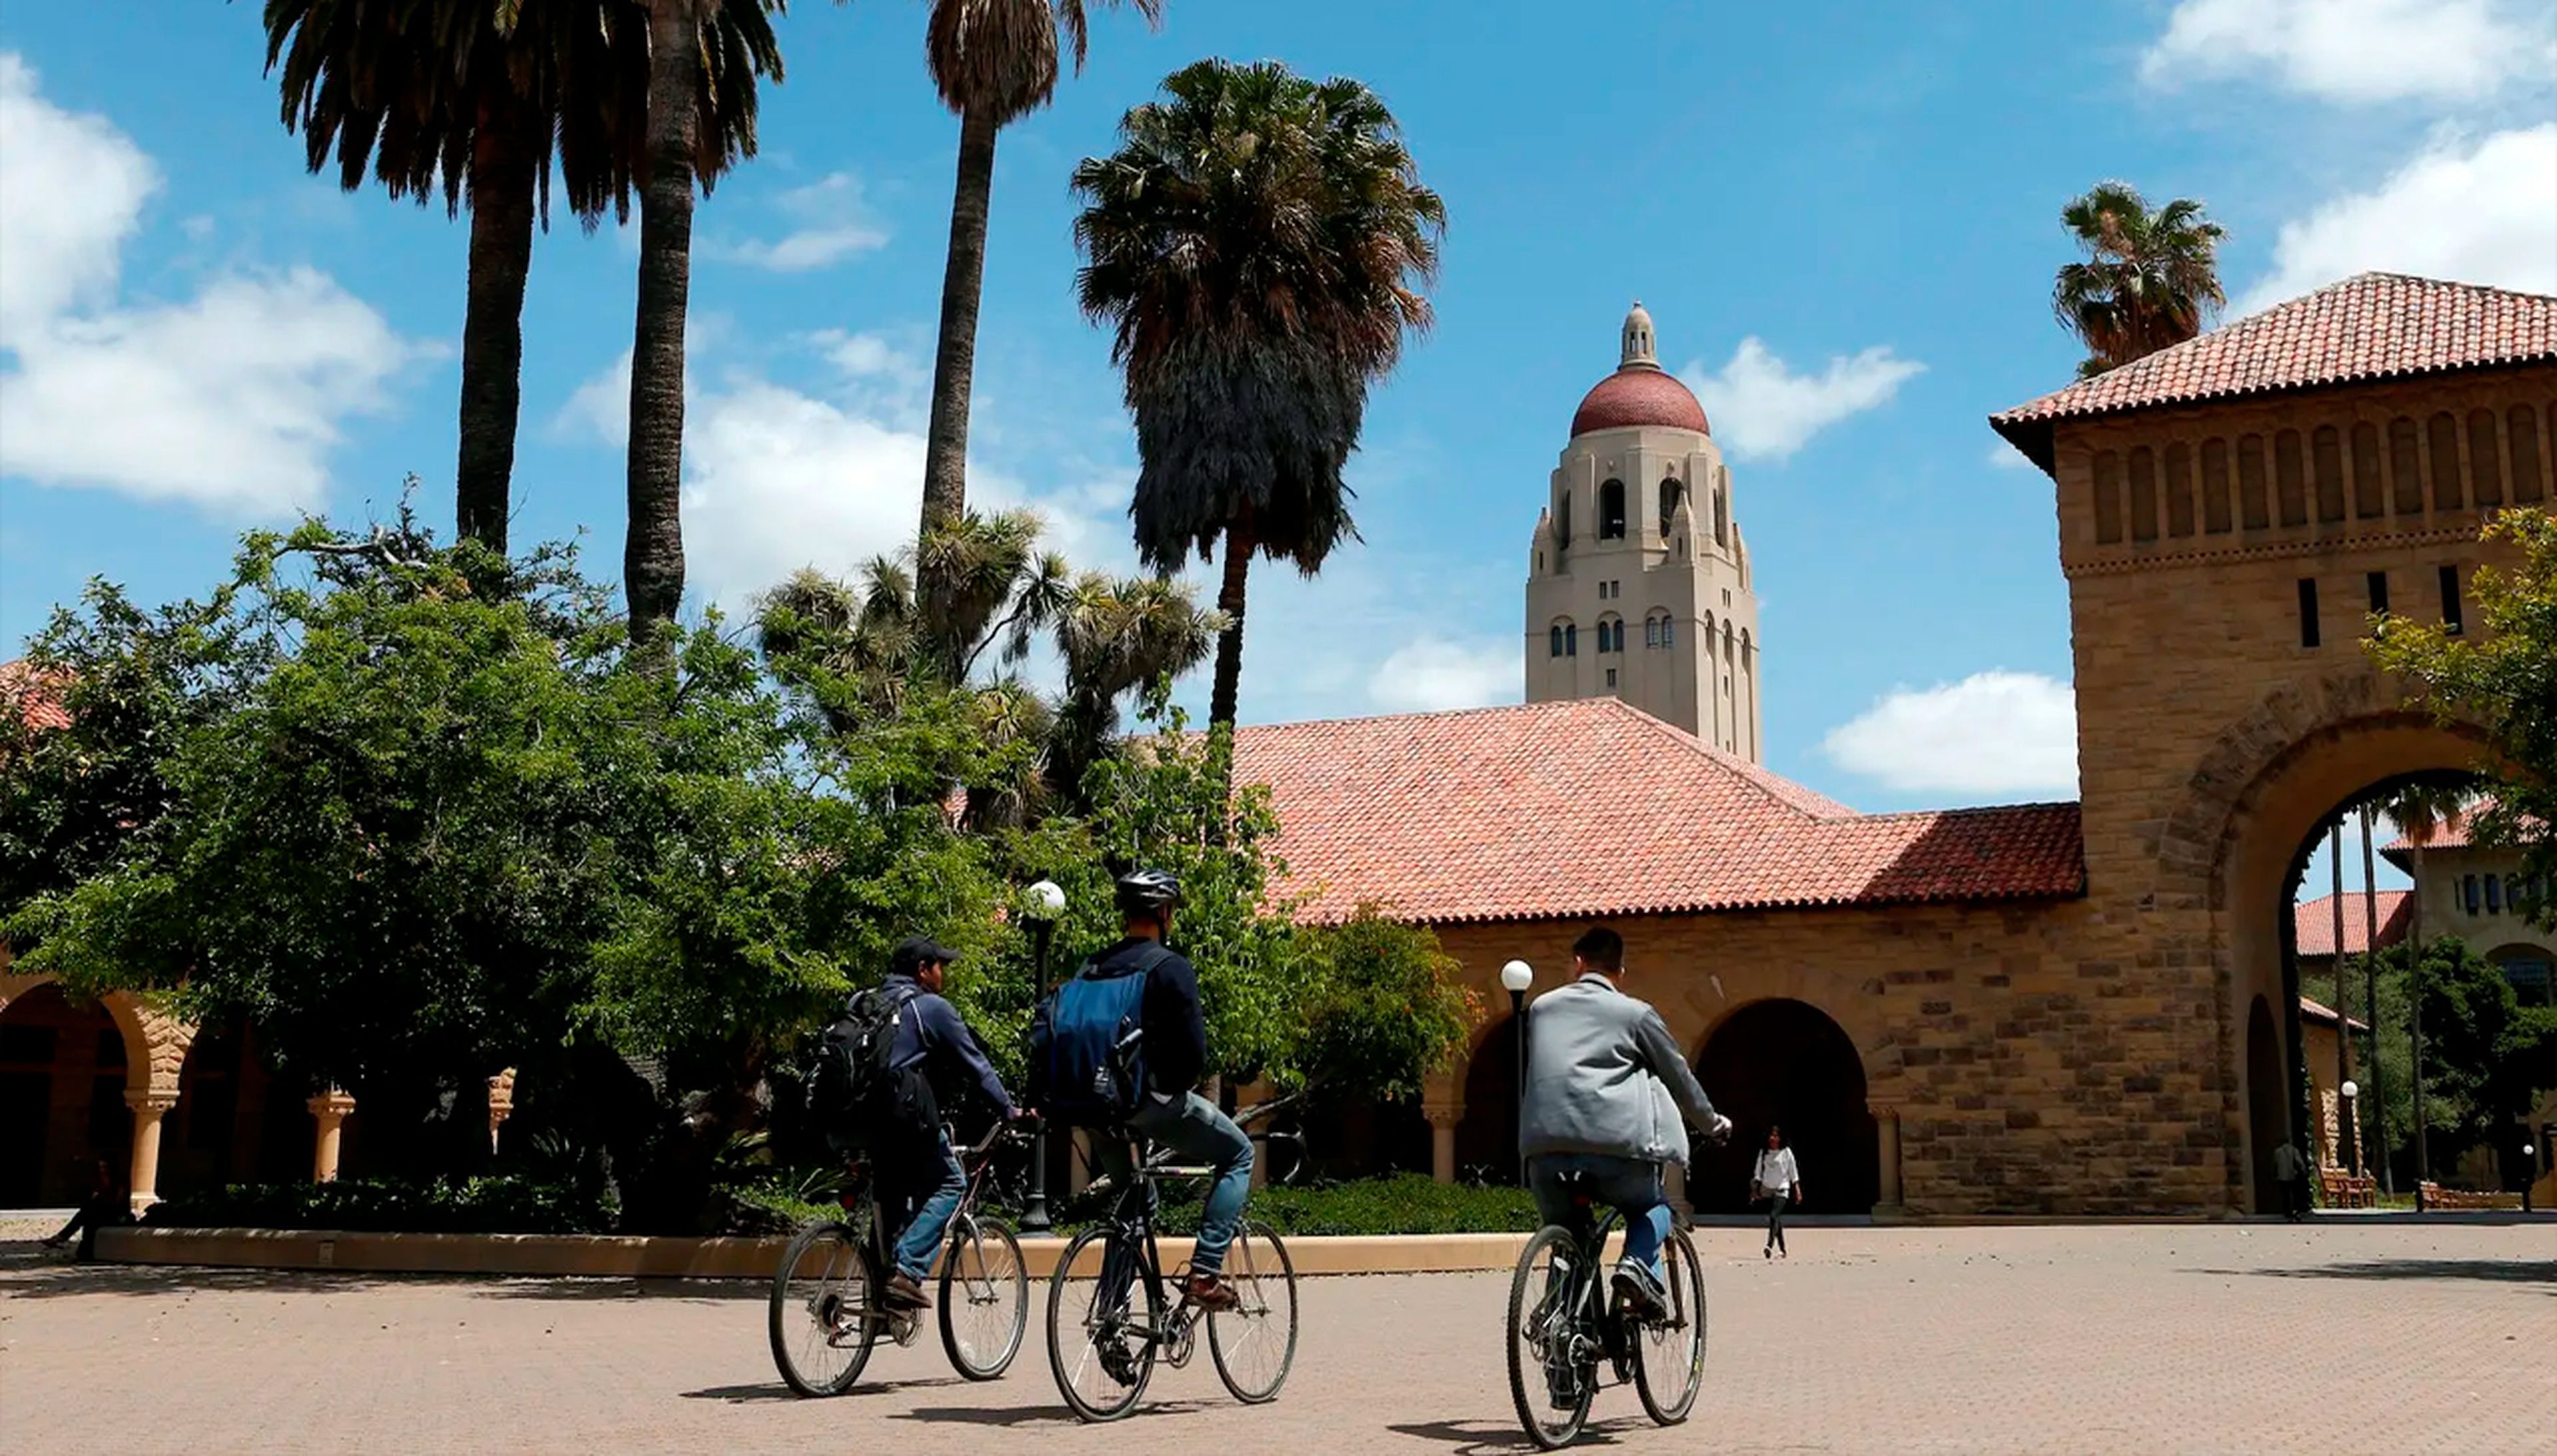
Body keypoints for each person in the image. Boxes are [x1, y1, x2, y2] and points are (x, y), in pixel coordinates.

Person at [1520, 925, 1731, 1322]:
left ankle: (1561, 1340)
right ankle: (1636, 1268)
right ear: (1621, 972)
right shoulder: (1635, 1014)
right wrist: (1711, 1123)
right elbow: (1678, 1076)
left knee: (1568, 1239)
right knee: (1651, 1207)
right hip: (1615, 1150)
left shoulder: (1541, 1009)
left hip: (1544, 1151)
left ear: (1578, 964)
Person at [1075, 868, 1254, 1312]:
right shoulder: (1170, 967)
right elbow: (1194, 1052)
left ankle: (1111, 1318)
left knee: (1134, 1202)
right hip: (1147, 1101)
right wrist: (1171, 1087)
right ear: (1165, 913)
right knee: (1238, 1154)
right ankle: (1205, 1273)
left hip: (1094, 1107)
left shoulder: (1092, 965)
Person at [874, 934, 1022, 1312]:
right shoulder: (931, 1008)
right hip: (901, 1120)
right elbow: (976, 1066)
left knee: (894, 1194)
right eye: (941, 965)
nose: (944, 973)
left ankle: (879, 1296)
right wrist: (1009, 1110)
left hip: (851, 1120)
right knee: (950, 1182)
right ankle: (906, 1272)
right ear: (923, 971)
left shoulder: (865, 1002)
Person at [43, 1156, 128, 1261]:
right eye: (100, 1167)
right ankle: (78, 1248)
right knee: (88, 1217)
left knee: (86, 1214)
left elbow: (117, 1203)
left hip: (117, 1215)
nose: (102, 1170)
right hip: (102, 1213)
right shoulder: (100, 1181)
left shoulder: (119, 1182)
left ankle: (63, 1237)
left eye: (105, 1167)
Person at [1753, 1126, 1801, 1259]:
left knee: (1774, 1216)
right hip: (1767, 1188)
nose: (1773, 1138)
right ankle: (1783, 1250)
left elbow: (1793, 1171)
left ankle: (1769, 1245)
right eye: (1771, 1136)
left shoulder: (1786, 1152)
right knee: (1776, 1220)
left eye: (1776, 1136)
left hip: (1782, 1188)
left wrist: (1797, 1189)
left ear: (1781, 1138)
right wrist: (1755, 1189)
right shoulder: (1764, 1153)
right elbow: (1758, 1171)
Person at [2273, 1136, 2308, 1222]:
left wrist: (2275, 1174)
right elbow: (2299, 1162)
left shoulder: (2277, 1152)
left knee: (2285, 1195)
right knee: (2295, 1194)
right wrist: (2303, 1170)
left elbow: (2275, 1164)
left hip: (2281, 1176)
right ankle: (2295, 1210)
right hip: (2292, 1175)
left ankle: (2287, 1211)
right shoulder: (2294, 1150)